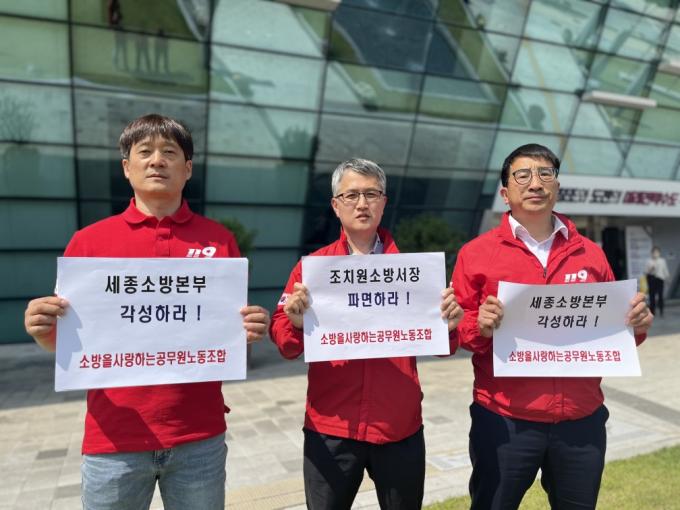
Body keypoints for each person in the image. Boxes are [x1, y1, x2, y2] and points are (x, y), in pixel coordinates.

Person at [24, 114, 270, 510]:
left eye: (169, 152)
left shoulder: (219, 240)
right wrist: (42, 330)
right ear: (127, 167)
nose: (157, 161)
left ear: (187, 169)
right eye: (145, 152)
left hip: (198, 436)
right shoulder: (88, 243)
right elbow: (65, 342)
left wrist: (250, 329)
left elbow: (230, 335)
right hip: (113, 439)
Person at [451, 143, 653, 510]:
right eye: (522, 175)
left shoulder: (590, 253)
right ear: (505, 193)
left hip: (581, 419)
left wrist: (637, 325)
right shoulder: (475, 254)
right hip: (505, 419)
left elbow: (614, 328)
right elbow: (457, 327)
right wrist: (479, 327)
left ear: (556, 187)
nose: (535, 183)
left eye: (545, 174)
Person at [269, 158, 463, 510]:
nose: (362, 203)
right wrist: (295, 323)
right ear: (336, 205)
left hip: (399, 425)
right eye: (351, 195)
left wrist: (450, 327)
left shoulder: (414, 272)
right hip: (332, 426)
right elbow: (284, 342)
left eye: (371, 194)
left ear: (384, 202)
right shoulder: (312, 270)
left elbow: (444, 346)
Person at [645, 246, 670, 318]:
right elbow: (646, 272)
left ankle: (661, 311)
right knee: (652, 296)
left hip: (660, 279)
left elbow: (665, 270)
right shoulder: (649, 261)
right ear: (652, 253)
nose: (655, 254)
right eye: (654, 252)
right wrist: (650, 269)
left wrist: (668, 278)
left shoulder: (662, 261)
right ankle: (652, 312)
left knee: (660, 295)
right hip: (652, 279)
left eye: (657, 252)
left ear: (659, 253)